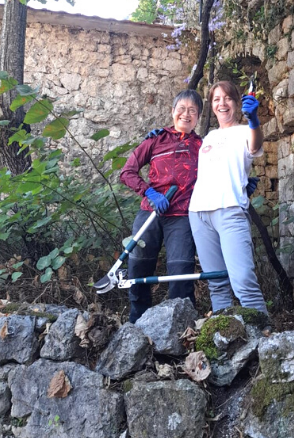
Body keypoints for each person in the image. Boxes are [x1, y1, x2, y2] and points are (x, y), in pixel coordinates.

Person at [113, 91, 204, 323]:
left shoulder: (203, 147)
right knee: (138, 270)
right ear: (173, 112)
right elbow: (127, 172)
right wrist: (149, 192)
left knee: (181, 274)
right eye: (181, 108)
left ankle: (181, 328)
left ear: (199, 117)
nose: (186, 114)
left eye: (192, 110)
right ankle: (137, 323)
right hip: (150, 212)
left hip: (182, 216)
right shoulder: (155, 139)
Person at [188, 80, 268, 314]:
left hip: (230, 211)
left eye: (228, 98)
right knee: (217, 282)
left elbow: (254, 146)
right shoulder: (209, 137)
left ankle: (265, 340)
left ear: (236, 102)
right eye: (216, 99)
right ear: (211, 106)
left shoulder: (245, 131)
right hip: (199, 214)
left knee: (243, 280)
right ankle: (224, 344)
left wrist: (254, 119)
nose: (222, 103)